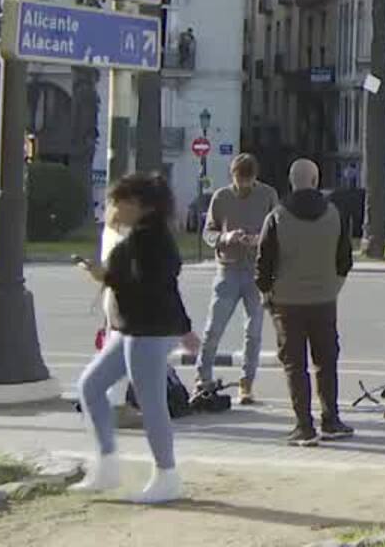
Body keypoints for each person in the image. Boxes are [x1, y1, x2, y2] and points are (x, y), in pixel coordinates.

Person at [72, 172, 198, 504]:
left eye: (117, 201)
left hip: (147, 330)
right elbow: (158, 287)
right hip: (131, 328)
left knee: (151, 403)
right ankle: (108, 463)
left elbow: (153, 288)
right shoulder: (142, 235)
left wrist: (107, 277)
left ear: (138, 205)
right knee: (91, 385)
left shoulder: (151, 240)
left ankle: (166, 474)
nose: (112, 208)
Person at [255, 158, 354, 446]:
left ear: (291, 182)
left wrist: (267, 292)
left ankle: (304, 425)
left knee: (294, 365)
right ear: (315, 181)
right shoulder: (334, 213)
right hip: (324, 299)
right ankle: (331, 419)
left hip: (286, 302)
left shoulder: (277, 216)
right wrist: (333, 286)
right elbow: (344, 258)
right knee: (326, 361)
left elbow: (264, 261)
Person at [196, 153, 276, 404]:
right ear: (233, 177)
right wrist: (225, 237)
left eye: (249, 183)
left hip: (256, 270)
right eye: (241, 182)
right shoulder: (221, 197)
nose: (245, 187)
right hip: (228, 269)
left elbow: (277, 229)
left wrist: (259, 240)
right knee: (213, 328)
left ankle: (246, 383)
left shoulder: (267, 195)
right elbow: (208, 232)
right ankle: (203, 378)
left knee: (253, 332)